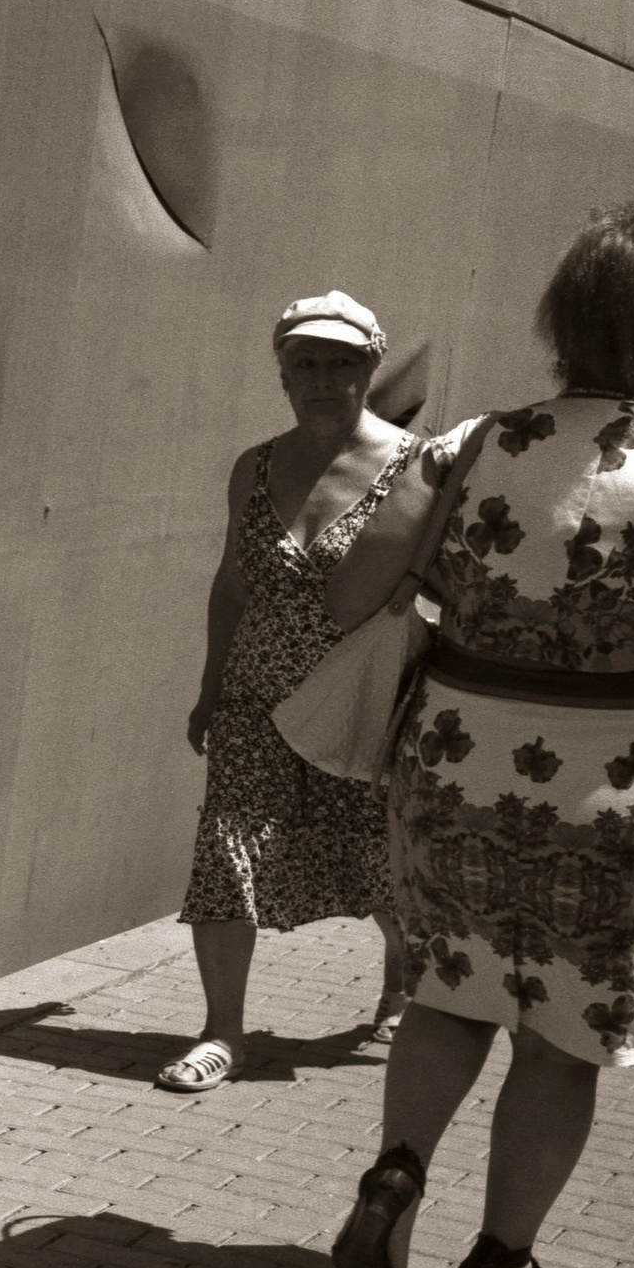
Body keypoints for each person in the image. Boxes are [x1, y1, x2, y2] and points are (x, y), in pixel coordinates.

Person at [324, 202, 634, 1268]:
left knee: (448, 994)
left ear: (558, 317)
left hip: (453, 764)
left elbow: (350, 596)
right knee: (560, 1038)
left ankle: (396, 1171)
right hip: (616, 793)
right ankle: (500, 1261)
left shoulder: (467, 449)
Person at [167, 292, 422, 1092]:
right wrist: (211, 686)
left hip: (361, 707)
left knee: (380, 858)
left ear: (370, 368)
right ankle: (221, 1033)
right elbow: (233, 582)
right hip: (256, 701)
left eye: (341, 362)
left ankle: (404, 977)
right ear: (282, 374)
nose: (323, 378)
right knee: (225, 851)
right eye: (305, 363)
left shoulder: (416, 465)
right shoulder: (256, 466)